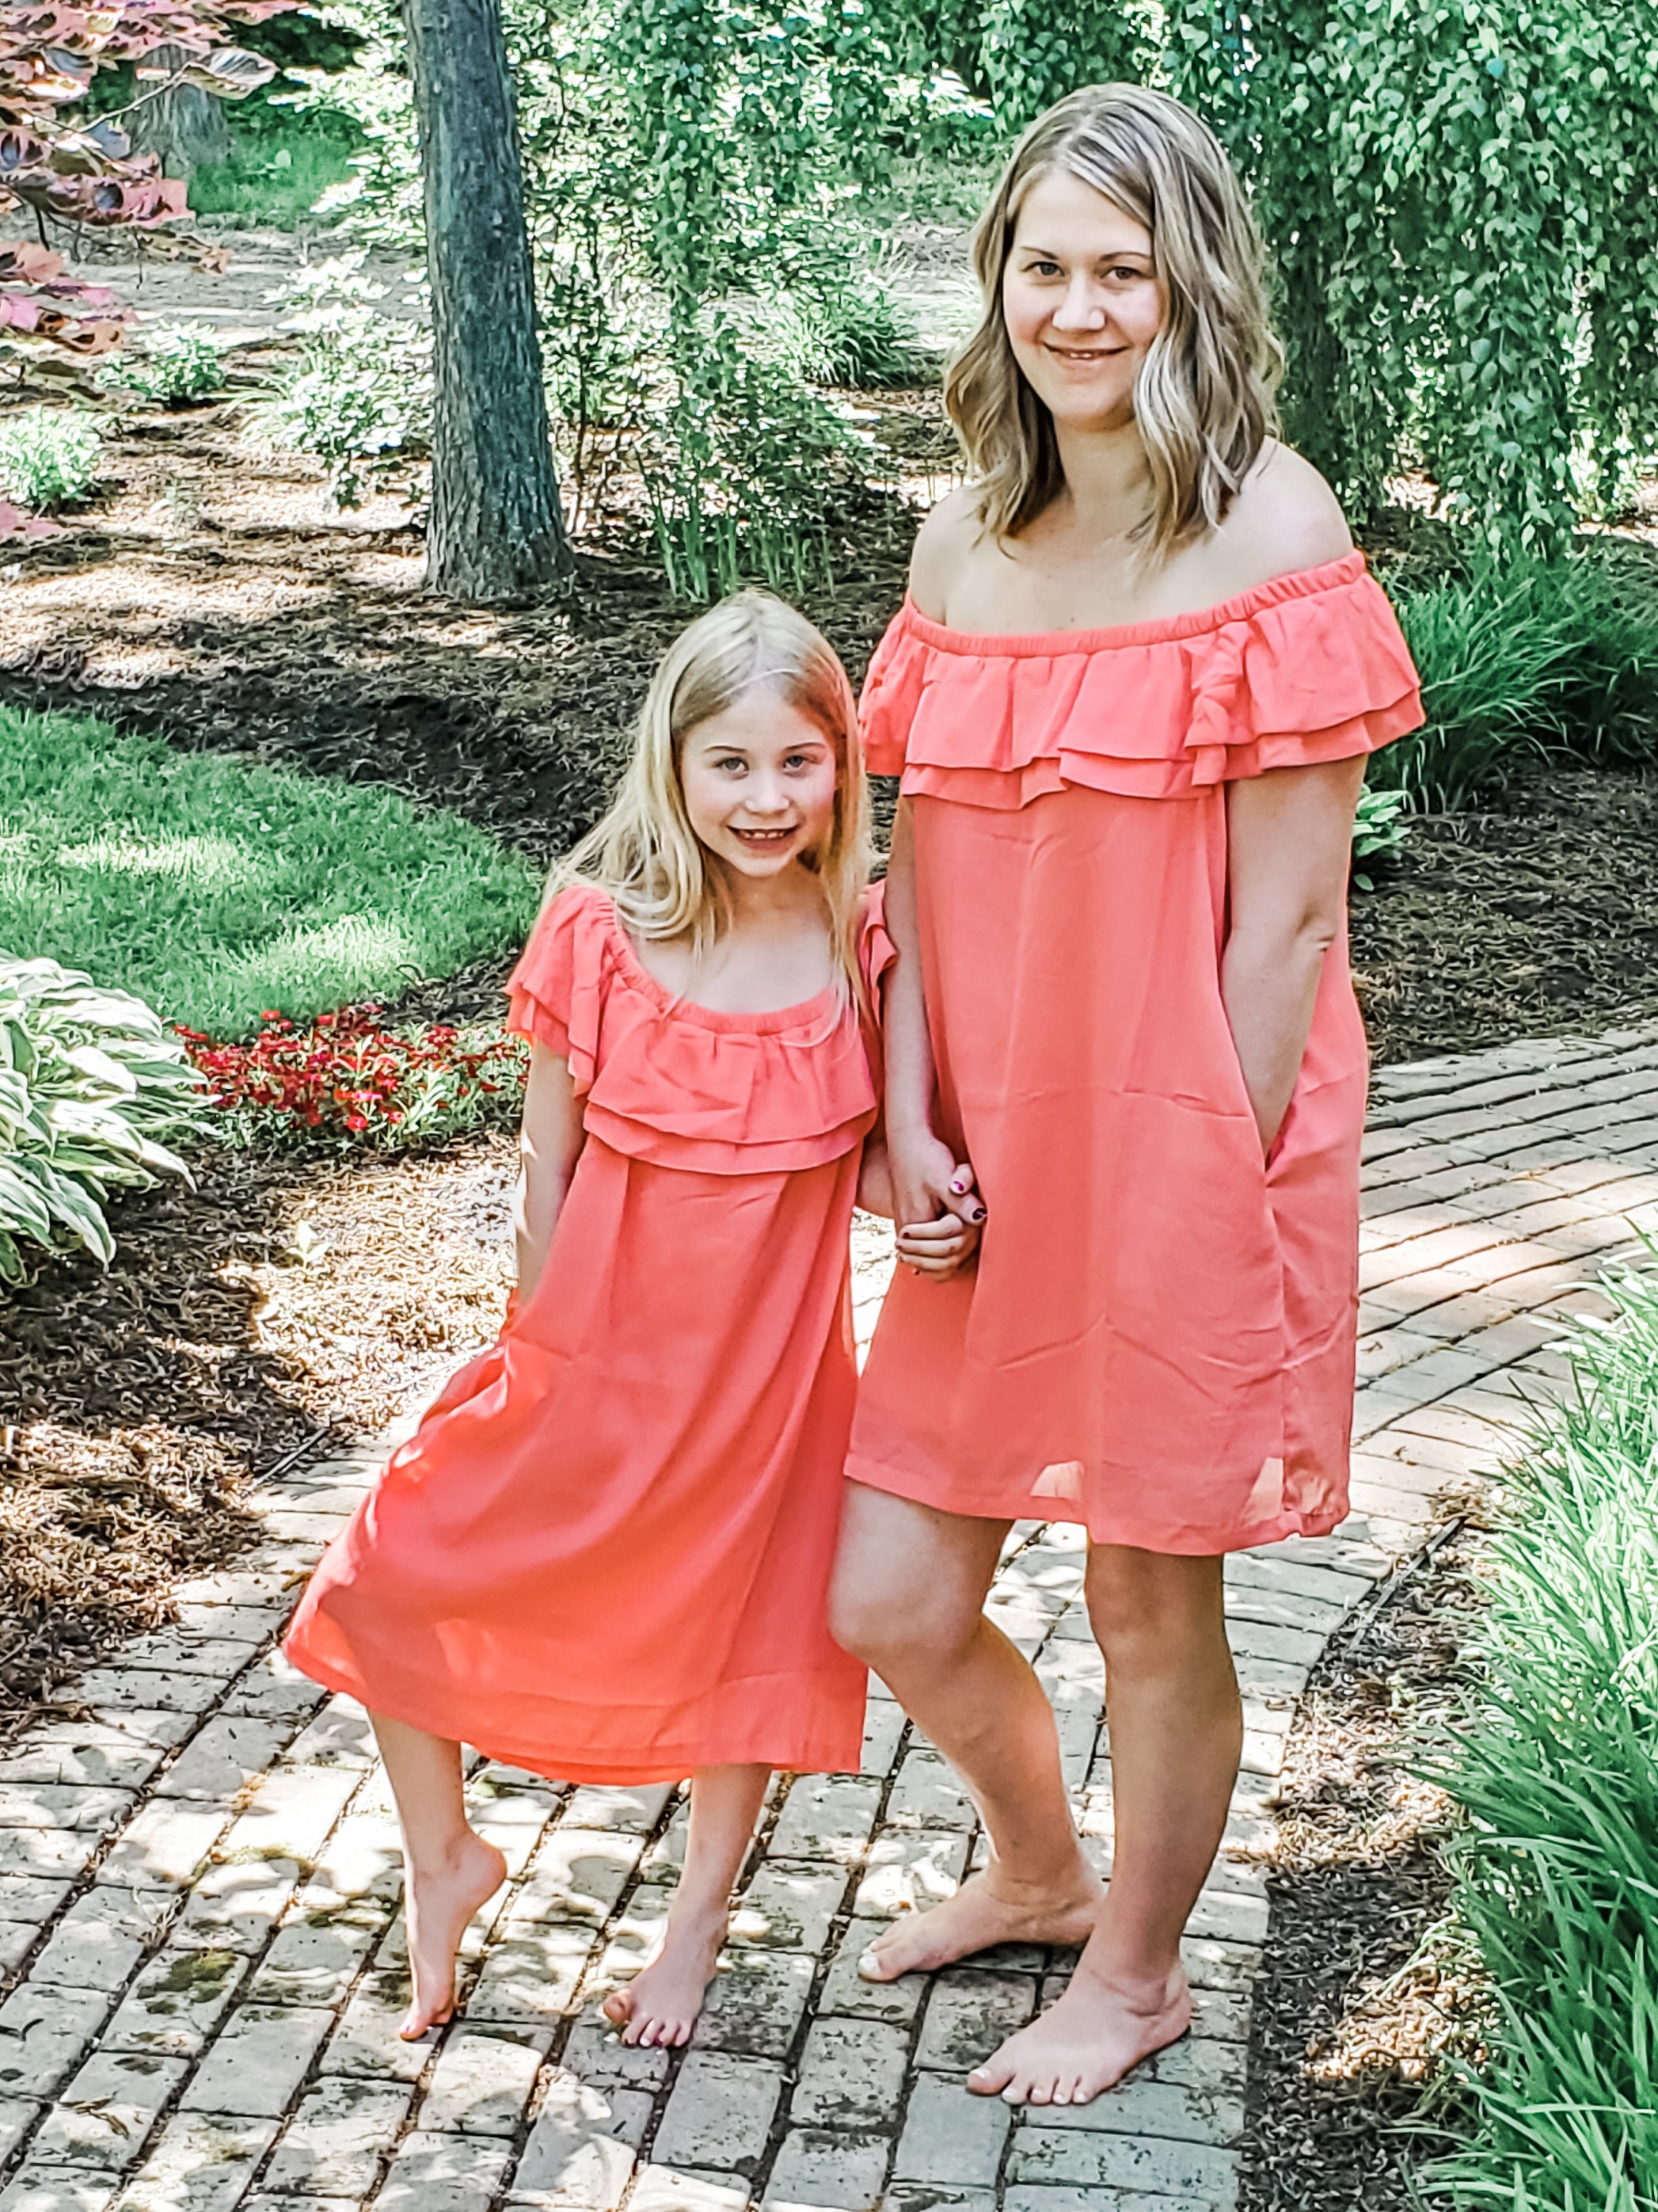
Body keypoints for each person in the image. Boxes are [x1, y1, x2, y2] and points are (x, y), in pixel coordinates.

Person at [828, 83, 1424, 2107]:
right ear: (998, 283)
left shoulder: (1275, 527)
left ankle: (1145, 1970)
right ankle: (1041, 1867)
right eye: (1045, 265)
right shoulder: (961, 530)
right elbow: (906, 862)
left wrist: (1204, 1185)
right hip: (984, 1152)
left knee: (1141, 1589)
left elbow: (1288, 931)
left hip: (1189, 1139)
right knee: (892, 1584)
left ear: (1191, 290)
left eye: (1123, 270)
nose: (1079, 309)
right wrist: (907, 1115)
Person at [285, 592, 974, 2048]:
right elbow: (551, 1164)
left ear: (844, 768)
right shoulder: (596, 924)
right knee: (389, 1566)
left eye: (801, 761)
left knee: (747, 1642)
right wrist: (534, 1352)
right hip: (594, 1358)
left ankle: (693, 1931)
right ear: (671, 761)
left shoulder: (863, 933)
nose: (766, 797)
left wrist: (916, 1196)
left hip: (769, 1382)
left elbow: (827, 1154)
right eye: (730, 763)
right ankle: (444, 1854)